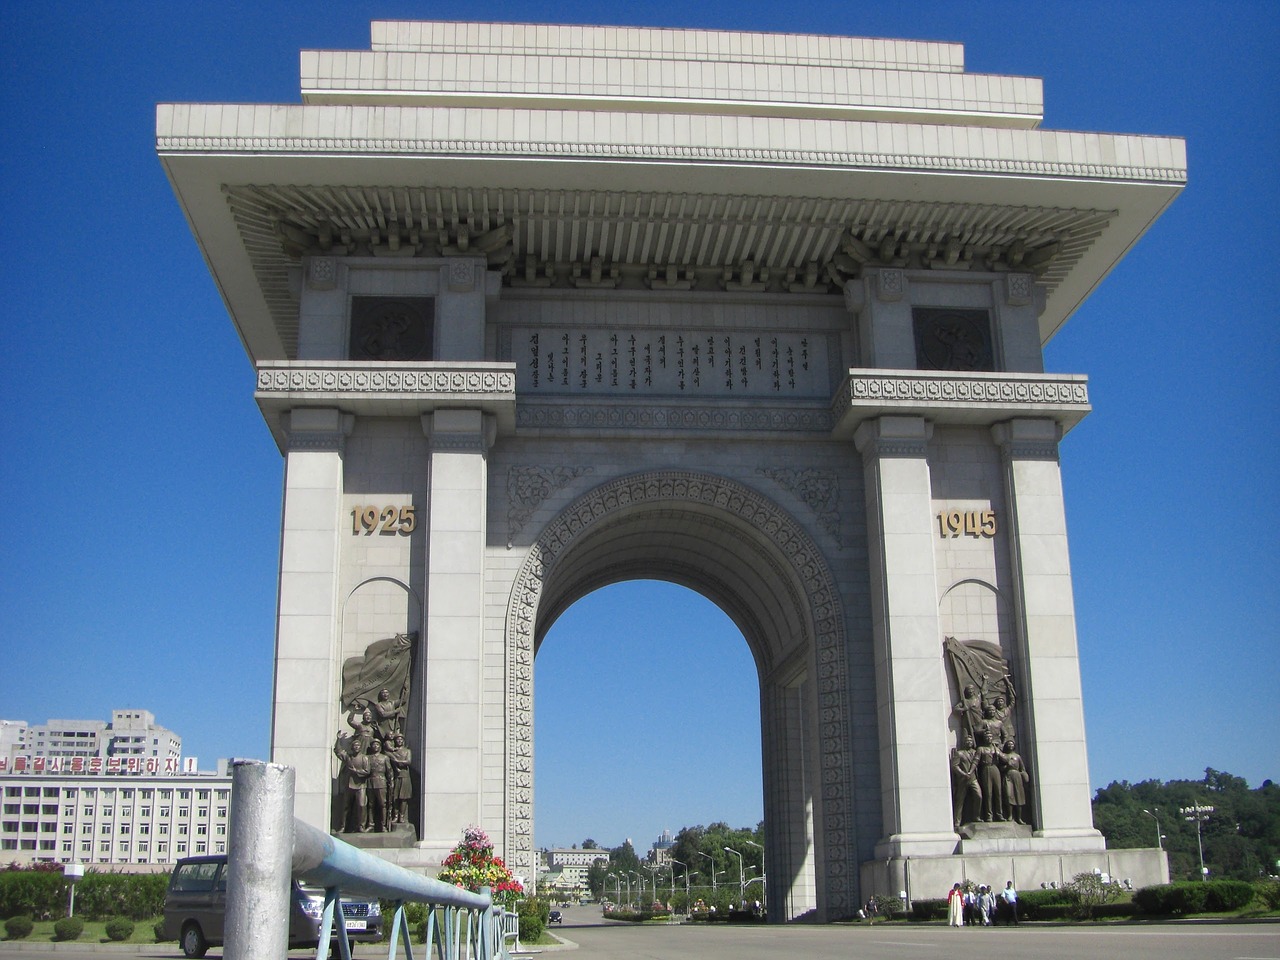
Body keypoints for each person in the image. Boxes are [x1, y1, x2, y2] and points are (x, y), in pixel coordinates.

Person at [365, 738, 390, 832]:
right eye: (374, 745)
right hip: (370, 782)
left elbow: (389, 771)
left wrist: (390, 783)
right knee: (370, 804)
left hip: (381, 781)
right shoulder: (367, 757)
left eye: (377, 745)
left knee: (382, 804)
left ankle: (384, 825)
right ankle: (371, 824)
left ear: (380, 747)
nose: (375, 746)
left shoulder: (385, 758)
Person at [389, 735, 412, 825]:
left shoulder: (407, 751)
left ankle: (401, 816)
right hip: (395, 776)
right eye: (397, 739)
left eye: (401, 739)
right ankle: (395, 816)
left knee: (404, 797)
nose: (399, 741)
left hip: (405, 775)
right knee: (395, 797)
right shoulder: (393, 752)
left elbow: (408, 762)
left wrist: (398, 762)